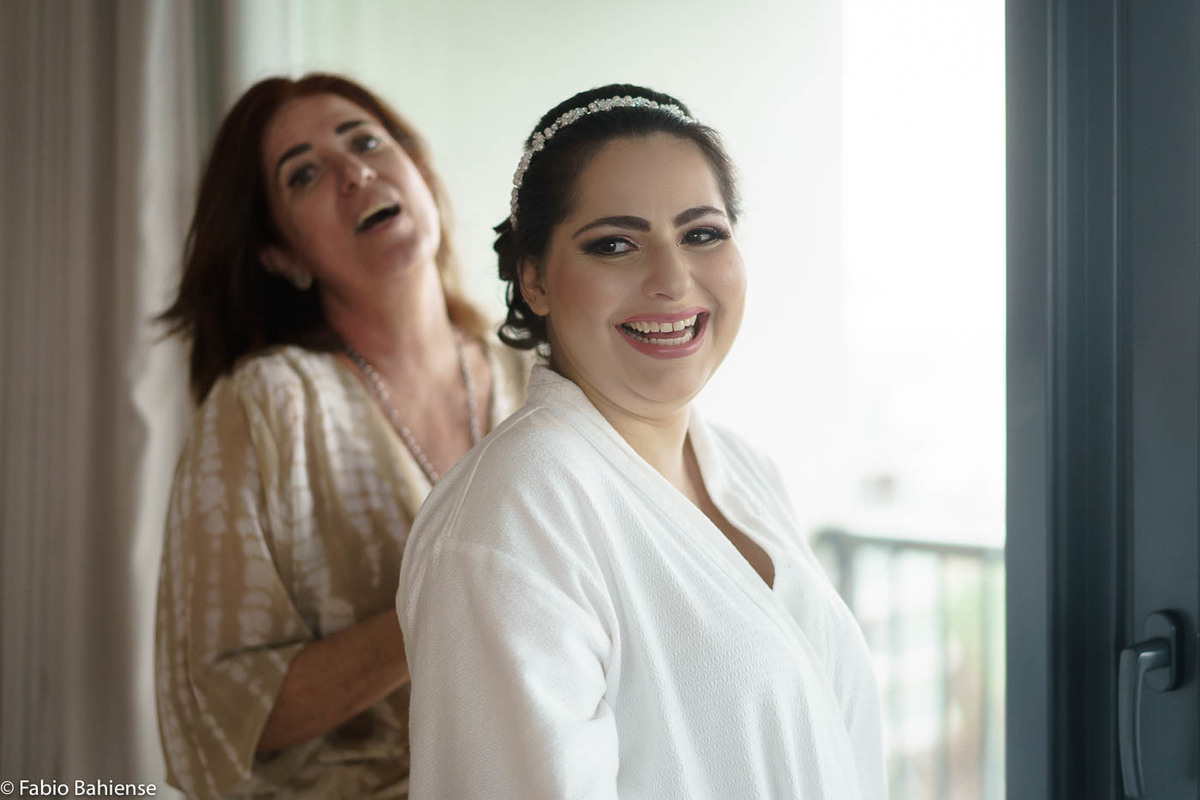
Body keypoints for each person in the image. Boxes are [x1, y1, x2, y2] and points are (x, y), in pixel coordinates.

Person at [397, 84, 888, 799]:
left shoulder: (746, 470)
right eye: (614, 245)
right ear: (534, 278)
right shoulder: (511, 518)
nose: (672, 279)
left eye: (702, 234)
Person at [153, 73, 528, 799]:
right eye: (304, 174)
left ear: (420, 174)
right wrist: (441, 606)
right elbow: (218, 713)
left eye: (367, 142)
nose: (354, 172)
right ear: (280, 255)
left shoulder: (541, 376)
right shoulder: (265, 406)